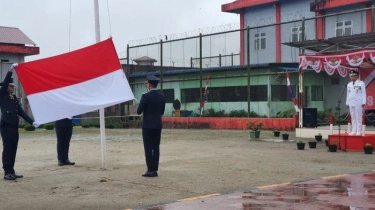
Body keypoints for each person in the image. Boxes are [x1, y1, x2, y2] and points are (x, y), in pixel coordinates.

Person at [0, 63, 38, 180]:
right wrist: (10, 70)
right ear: (7, 87)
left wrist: (32, 122)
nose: (13, 88)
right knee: (8, 148)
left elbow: (21, 112)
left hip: (14, 126)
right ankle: (7, 172)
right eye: (11, 86)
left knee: (13, 148)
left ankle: (11, 170)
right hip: (6, 126)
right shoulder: (2, 95)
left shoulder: (14, 98)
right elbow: (5, 82)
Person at [137, 75, 165, 177]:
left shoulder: (145, 96)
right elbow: (162, 111)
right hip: (157, 125)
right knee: (156, 147)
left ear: (149, 84)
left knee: (148, 148)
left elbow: (139, 111)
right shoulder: (162, 96)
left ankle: (150, 170)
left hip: (148, 126)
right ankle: (155, 170)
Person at [346, 69, 366, 135]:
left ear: (357, 76)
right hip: (351, 102)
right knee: (353, 117)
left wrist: (364, 102)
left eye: (353, 76)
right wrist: (347, 103)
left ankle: (358, 131)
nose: (352, 77)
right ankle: (354, 130)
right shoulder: (349, 84)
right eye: (351, 76)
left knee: (358, 117)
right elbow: (348, 94)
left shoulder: (361, 83)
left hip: (358, 102)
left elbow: (363, 93)